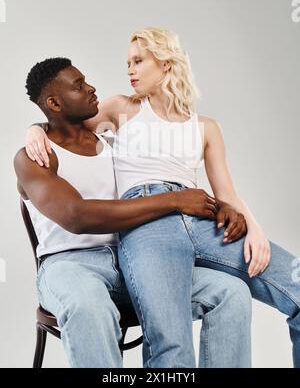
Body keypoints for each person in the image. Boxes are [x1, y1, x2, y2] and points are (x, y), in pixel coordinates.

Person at [26, 27, 300, 367]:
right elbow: (62, 123)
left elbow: (227, 193)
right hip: (148, 224)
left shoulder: (206, 127)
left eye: (139, 61)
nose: (129, 70)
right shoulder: (119, 108)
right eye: (128, 62)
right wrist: (34, 129)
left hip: (201, 216)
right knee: (172, 348)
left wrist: (256, 230)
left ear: (166, 63)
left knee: (291, 287)